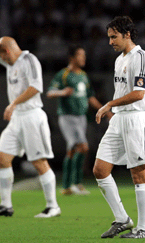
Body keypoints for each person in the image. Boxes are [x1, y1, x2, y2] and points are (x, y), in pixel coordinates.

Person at [0, 35, 60, 218]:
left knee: (39, 162)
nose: (1, 59)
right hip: (17, 118)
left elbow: (36, 87)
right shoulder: (10, 62)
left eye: (2, 55)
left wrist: (13, 104)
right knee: (2, 158)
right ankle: (5, 206)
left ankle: (53, 206)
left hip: (32, 116)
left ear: (8, 51)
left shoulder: (29, 60)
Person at [93, 16, 145, 239]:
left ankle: (144, 228)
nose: (110, 41)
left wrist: (109, 104)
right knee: (100, 170)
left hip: (136, 119)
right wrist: (112, 109)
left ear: (127, 34)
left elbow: (139, 94)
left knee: (138, 173)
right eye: (109, 37)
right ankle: (122, 219)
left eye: (114, 36)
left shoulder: (140, 57)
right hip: (118, 119)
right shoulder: (120, 59)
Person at [46, 44, 112, 195]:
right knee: (82, 147)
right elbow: (50, 92)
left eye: (84, 55)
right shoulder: (64, 74)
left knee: (75, 149)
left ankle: (72, 185)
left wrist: (105, 110)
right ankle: (71, 184)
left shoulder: (83, 75)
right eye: (80, 55)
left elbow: (90, 97)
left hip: (81, 117)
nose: (83, 58)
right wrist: (62, 92)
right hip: (67, 117)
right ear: (72, 57)